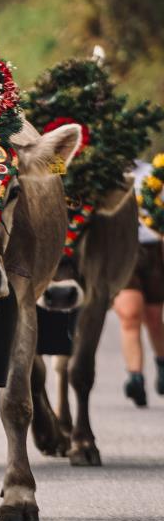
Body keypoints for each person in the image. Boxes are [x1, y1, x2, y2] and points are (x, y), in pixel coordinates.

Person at [113, 159, 164, 407]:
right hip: (122, 250)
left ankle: (161, 364)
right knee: (130, 314)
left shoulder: (153, 172)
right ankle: (136, 377)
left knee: (154, 318)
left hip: (153, 249)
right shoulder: (103, 173)